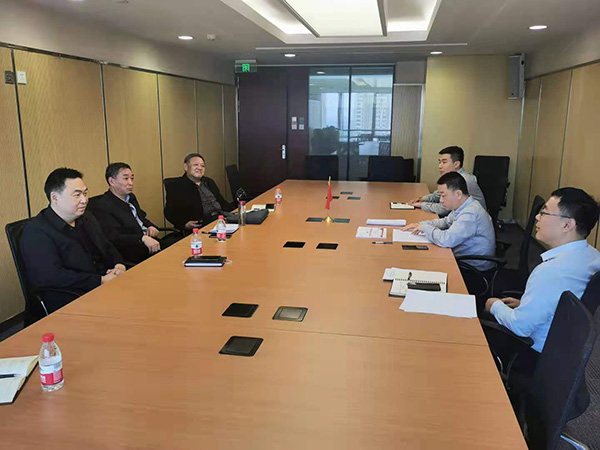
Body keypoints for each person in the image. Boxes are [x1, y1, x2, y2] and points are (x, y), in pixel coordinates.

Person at [485, 188, 600, 358]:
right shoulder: (593, 256)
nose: (537, 217)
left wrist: (494, 305)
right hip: (568, 349)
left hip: (535, 353)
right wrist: (527, 305)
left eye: (544, 213)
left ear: (567, 225)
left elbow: (520, 327)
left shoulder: (551, 271)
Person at [20, 168, 125, 316]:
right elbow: (52, 276)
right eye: (77, 195)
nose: (84, 200)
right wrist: (100, 280)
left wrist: (118, 265)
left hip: (103, 286)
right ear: (55, 197)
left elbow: (106, 245)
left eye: (85, 193)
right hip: (71, 297)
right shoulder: (36, 232)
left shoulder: (86, 218)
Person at [401, 171, 496, 271]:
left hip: (472, 269)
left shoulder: (470, 213)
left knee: (423, 265)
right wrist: (419, 225)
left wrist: (425, 228)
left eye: (443, 195)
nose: (441, 200)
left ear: (458, 194)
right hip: (461, 259)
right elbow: (445, 222)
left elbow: (446, 240)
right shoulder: (463, 206)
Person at [87, 162, 162, 264]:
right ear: (112, 181)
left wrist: (150, 226)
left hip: (149, 242)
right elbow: (114, 237)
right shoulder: (103, 205)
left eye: (132, 178)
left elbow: (141, 218)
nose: (131, 183)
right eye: (126, 178)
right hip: (132, 250)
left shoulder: (131, 197)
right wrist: (142, 238)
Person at [409, 146, 486, 216]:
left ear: (456, 164)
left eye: (444, 162)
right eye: (439, 162)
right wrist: (423, 198)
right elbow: (438, 194)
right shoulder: (452, 177)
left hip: (470, 221)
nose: (440, 166)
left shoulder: (464, 180)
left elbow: (443, 209)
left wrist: (421, 205)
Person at [164, 153, 231, 231]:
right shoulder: (176, 186)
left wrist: (232, 214)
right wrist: (184, 224)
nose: (199, 168)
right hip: (201, 226)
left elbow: (222, 202)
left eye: (202, 166)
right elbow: (169, 212)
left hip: (221, 220)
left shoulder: (209, 182)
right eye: (196, 165)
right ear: (186, 167)